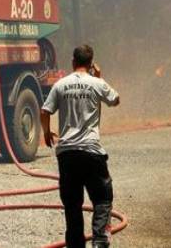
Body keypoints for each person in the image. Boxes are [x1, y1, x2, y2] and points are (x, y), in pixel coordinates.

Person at [40, 44, 120, 248]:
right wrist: (100, 78)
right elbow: (115, 100)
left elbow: (45, 111)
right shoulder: (97, 83)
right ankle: (100, 243)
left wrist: (47, 132)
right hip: (92, 153)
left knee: (72, 207)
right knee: (102, 199)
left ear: (73, 62)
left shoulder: (60, 85)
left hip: (67, 155)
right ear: (91, 64)